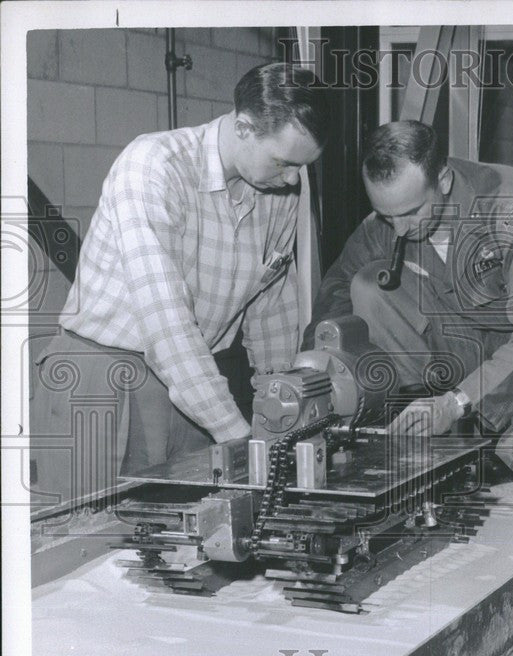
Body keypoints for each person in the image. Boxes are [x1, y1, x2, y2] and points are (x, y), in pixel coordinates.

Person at [31, 63, 328, 506]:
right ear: (244, 127)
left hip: (191, 381)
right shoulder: (154, 166)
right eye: (284, 163)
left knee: (193, 540)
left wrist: (280, 414)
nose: (292, 179)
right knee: (81, 551)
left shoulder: (284, 187)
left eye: (302, 167)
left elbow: (273, 306)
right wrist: (239, 437)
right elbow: (167, 323)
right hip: (102, 381)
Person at [305, 120, 513, 513]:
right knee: (367, 285)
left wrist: (455, 404)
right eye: (385, 214)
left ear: (443, 180)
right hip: (456, 354)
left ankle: (485, 437)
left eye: (411, 212)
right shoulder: (391, 220)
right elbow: (335, 292)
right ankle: (435, 439)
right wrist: (311, 377)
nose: (398, 229)